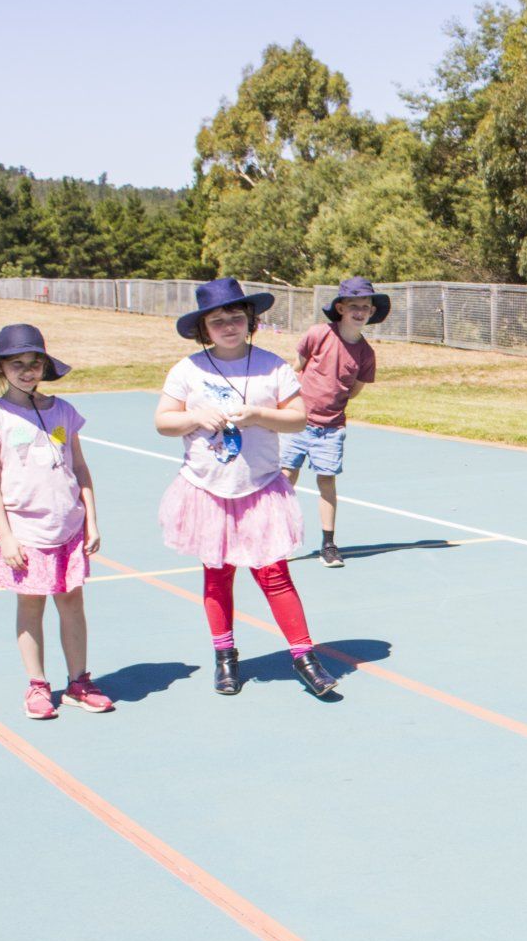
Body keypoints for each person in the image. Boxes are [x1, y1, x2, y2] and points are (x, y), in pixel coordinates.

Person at [155, 277, 336, 699]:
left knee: (274, 573)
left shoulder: (272, 366)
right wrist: (195, 417)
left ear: (250, 320)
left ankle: (304, 656)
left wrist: (258, 414)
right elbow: (163, 421)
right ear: (205, 328)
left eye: (236, 317)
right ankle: (225, 657)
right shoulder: (188, 369)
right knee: (217, 576)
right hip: (207, 489)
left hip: (259, 487)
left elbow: (297, 418)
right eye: (218, 320)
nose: (229, 325)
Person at [0, 325, 113, 720]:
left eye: (35, 363)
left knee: (72, 602)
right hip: (24, 532)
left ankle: (79, 682)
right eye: (18, 364)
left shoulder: (63, 410)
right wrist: (6, 536)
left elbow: (80, 467)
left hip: (67, 527)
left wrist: (92, 520)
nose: (28, 371)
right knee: (31, 606)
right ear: (2, 367)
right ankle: (37, 685)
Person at [280, 276, 383, 567]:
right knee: (286, 477)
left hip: (331, 428)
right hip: (297, 421)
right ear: (340, 307)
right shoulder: (318, 334)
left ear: (372, 312)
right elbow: (294, 370)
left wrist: (331, 407)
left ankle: (328, 544)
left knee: (327, 481)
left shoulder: (366, 354)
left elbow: (355, 390)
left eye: (365, 306)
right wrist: (286, 406)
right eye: (353, 305)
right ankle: (279, 536)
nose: (359, 311)